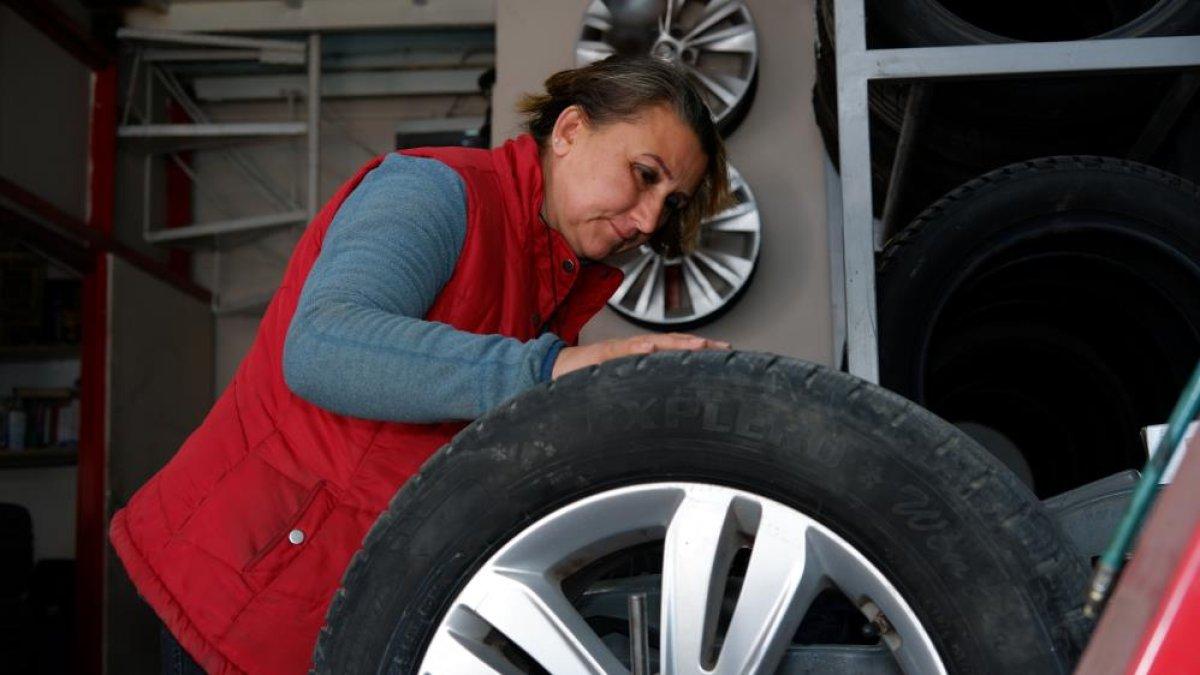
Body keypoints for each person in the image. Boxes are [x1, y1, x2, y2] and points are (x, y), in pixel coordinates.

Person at [110, 55, 731, 674]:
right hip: (246, 587)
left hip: (342, 609)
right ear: (569, 130)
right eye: (643, 175)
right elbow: (324, 343)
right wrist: (551, 373)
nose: (649, 220)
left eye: (670, 202)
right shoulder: (434, 190)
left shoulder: (552, 285)